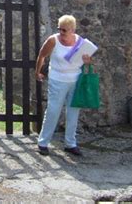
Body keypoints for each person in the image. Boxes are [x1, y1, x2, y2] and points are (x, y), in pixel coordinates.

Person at [35, 15, 92, 156]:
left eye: (64, 30)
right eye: (60, 29)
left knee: (73, 111)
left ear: (73, 29)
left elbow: (87, 61)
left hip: (75, 79)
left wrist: (87, 61)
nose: (61, 32)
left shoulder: (80, 42)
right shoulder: (53, 40)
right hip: (57, 79)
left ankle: (70, 143)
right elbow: (41, 56)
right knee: (53, 110)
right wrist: (38, 72)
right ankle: (43, 142)